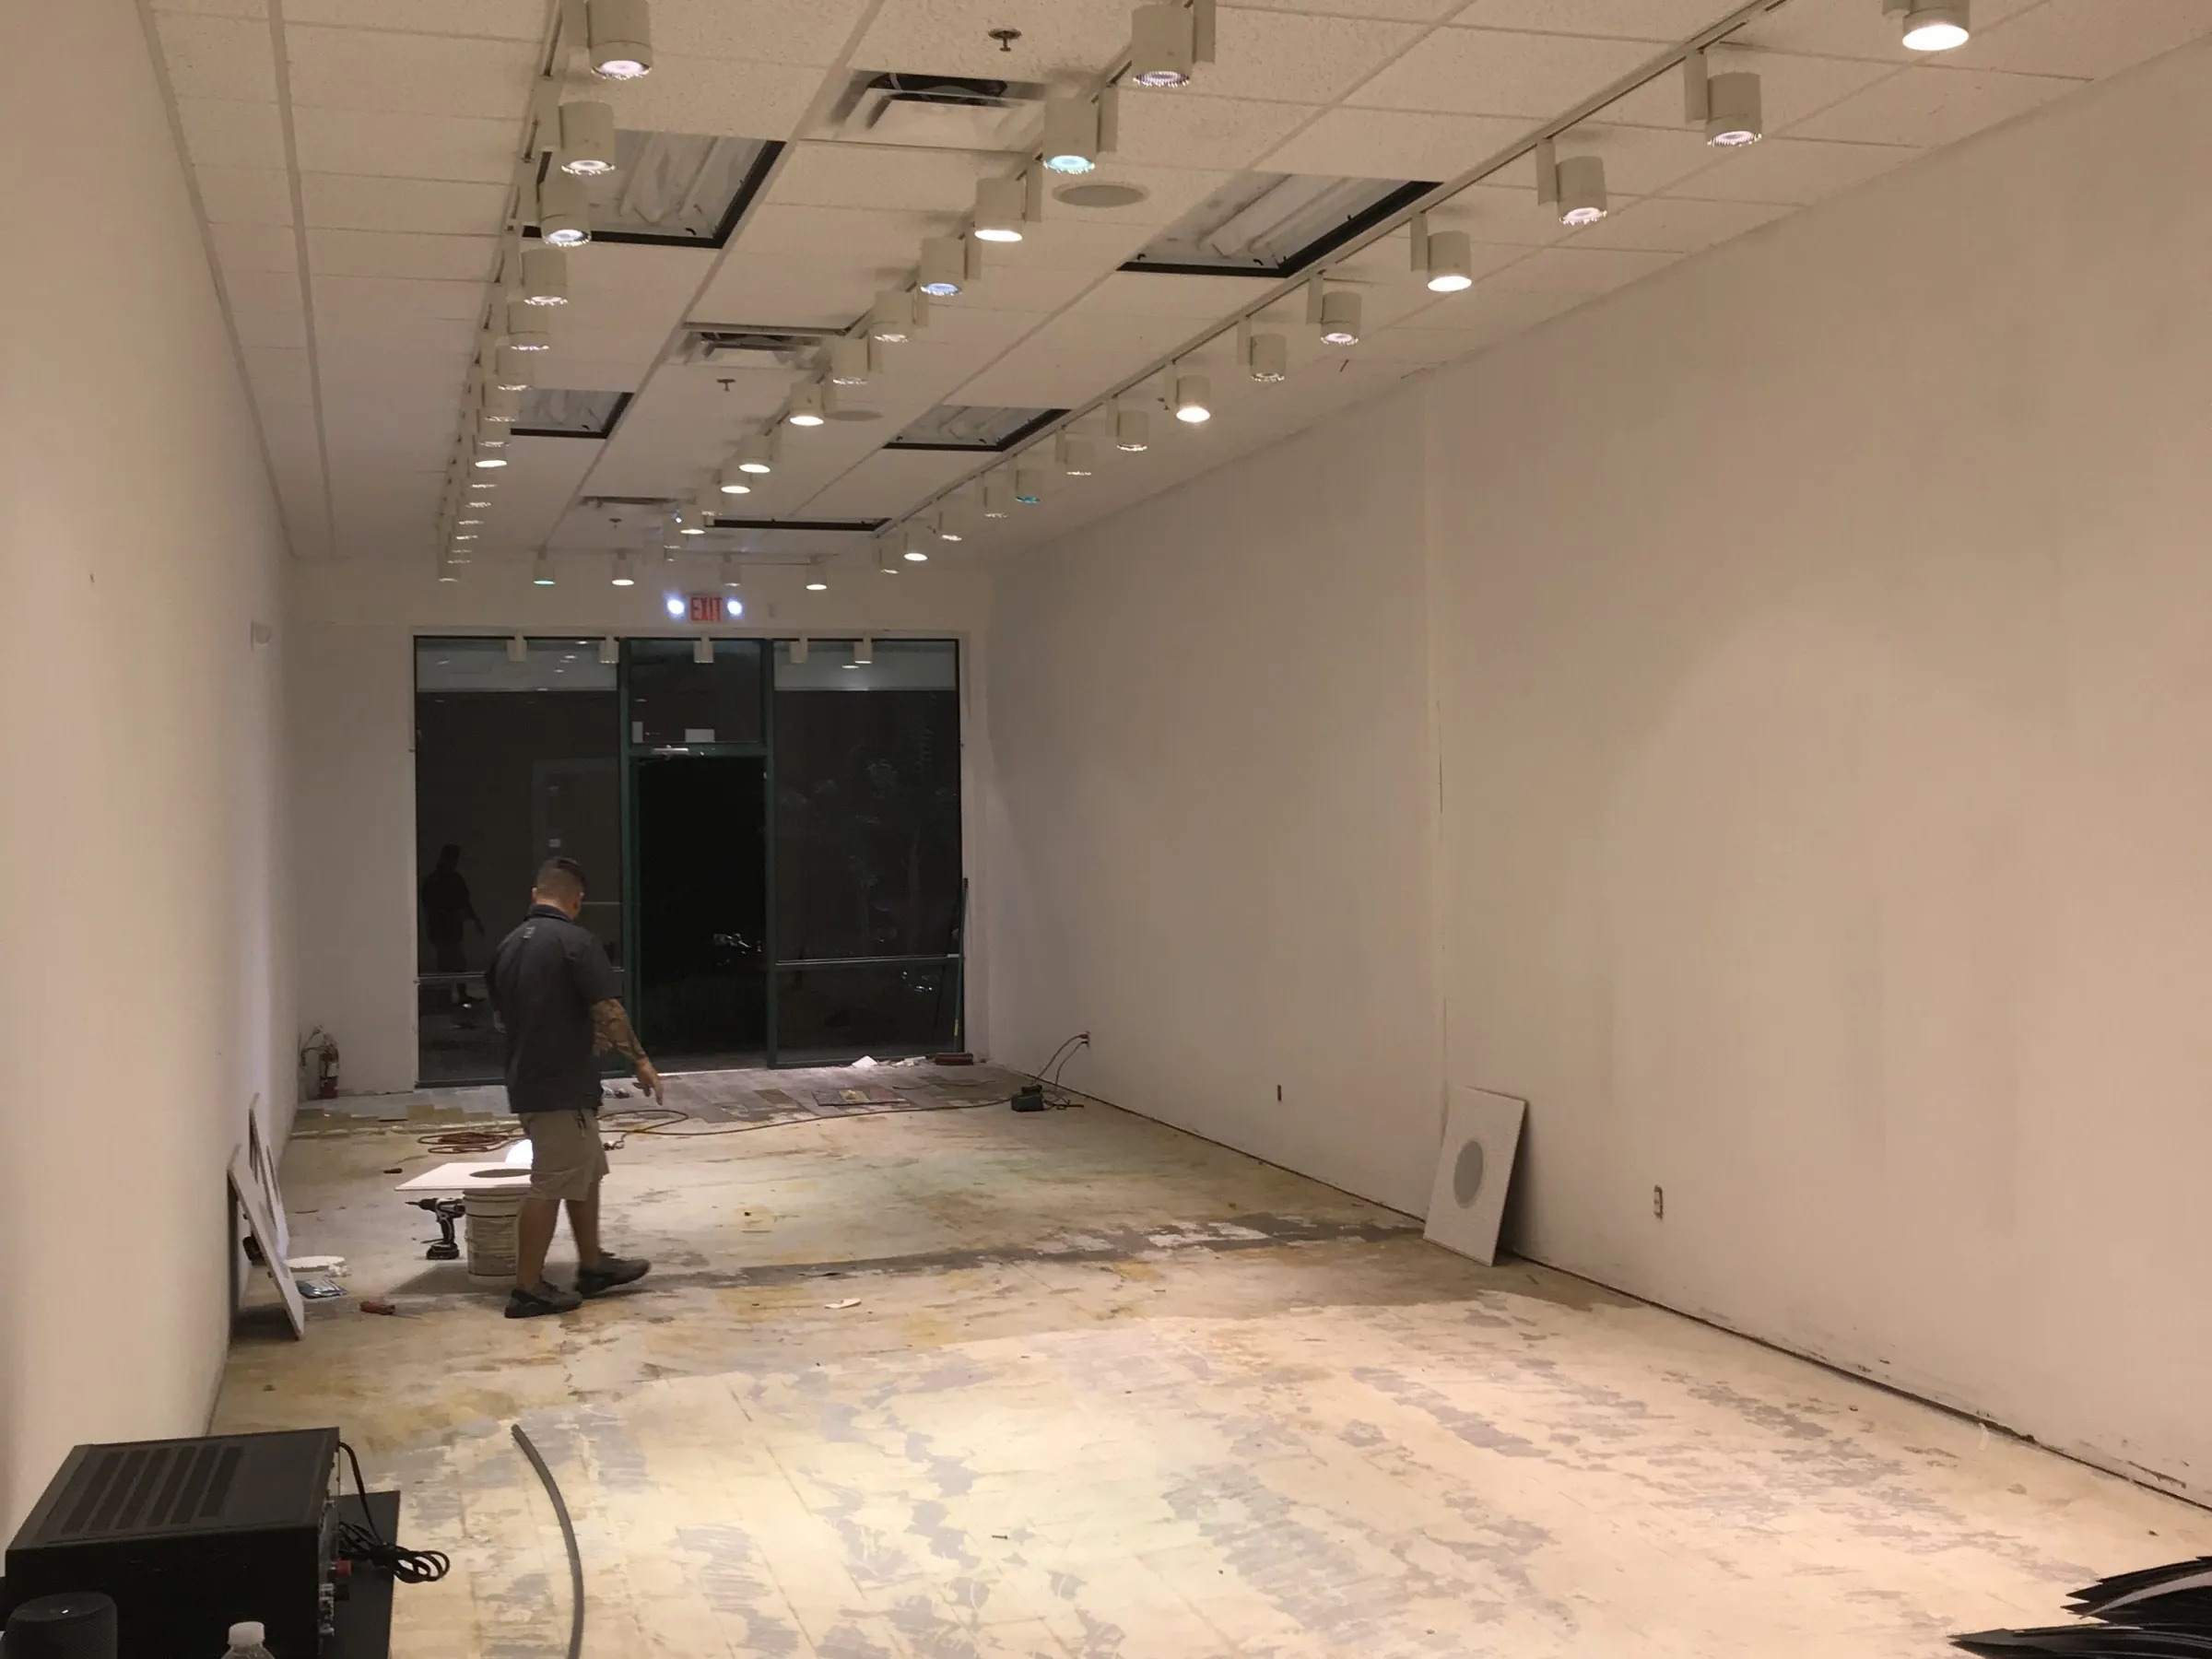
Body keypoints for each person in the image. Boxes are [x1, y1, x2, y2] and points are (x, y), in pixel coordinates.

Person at [486, 856, 664, 1318]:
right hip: (559, 1088)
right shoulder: (575, 942)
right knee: (549, 1183)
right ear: (577, 901)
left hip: (530, 1082)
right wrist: (640, 1060)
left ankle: (593, 1265)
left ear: (535, 895)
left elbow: (506, 1017)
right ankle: (527, 1289)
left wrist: (568, 1032)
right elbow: (608, 1008)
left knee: (587, 1170)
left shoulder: (508, 946)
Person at [419, 844, 483, 1006]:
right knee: (450, 962)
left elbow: (464, 902)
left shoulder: (452, 879)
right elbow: (431, 906)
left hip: (450, 928)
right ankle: (447, 997)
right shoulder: (437, 880)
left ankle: (453, 996)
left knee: (455, 962)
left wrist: (474, 919)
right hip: (442, 928)